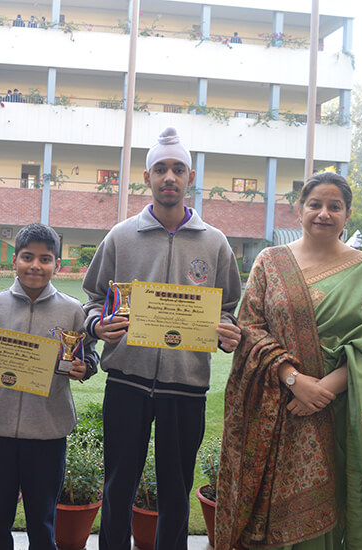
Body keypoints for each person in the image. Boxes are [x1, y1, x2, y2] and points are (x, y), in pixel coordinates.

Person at [216, 172, 362, 549]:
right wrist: (294, 380)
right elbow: (250, 326)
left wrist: (324, 389)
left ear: (347, 214)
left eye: (334, 206)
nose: (324, 213)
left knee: (328, 508)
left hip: (337, 412)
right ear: (299, 209)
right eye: (315, 204)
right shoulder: (270, 262)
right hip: (274, 407)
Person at [82, 127, 242, 550]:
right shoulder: (121, 236)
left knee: (176, 490)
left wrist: (228, 332)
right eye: (160, 169)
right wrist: (98, 326)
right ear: (147, 177)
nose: (169, 177)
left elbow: (227, 309)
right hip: (127, 382)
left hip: (185, 386)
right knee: (118, 485)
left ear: (190, 178)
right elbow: (94, 300)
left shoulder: (216, 243)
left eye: (177, 170)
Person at [0, 223, 99, 550]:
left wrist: (85, 367)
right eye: (27, 257)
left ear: (57, 265)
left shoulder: (72, 310)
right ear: (14, 261)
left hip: (48, 431)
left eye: (45, 259)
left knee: (43, 519)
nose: (36, 265)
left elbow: (89, 354)